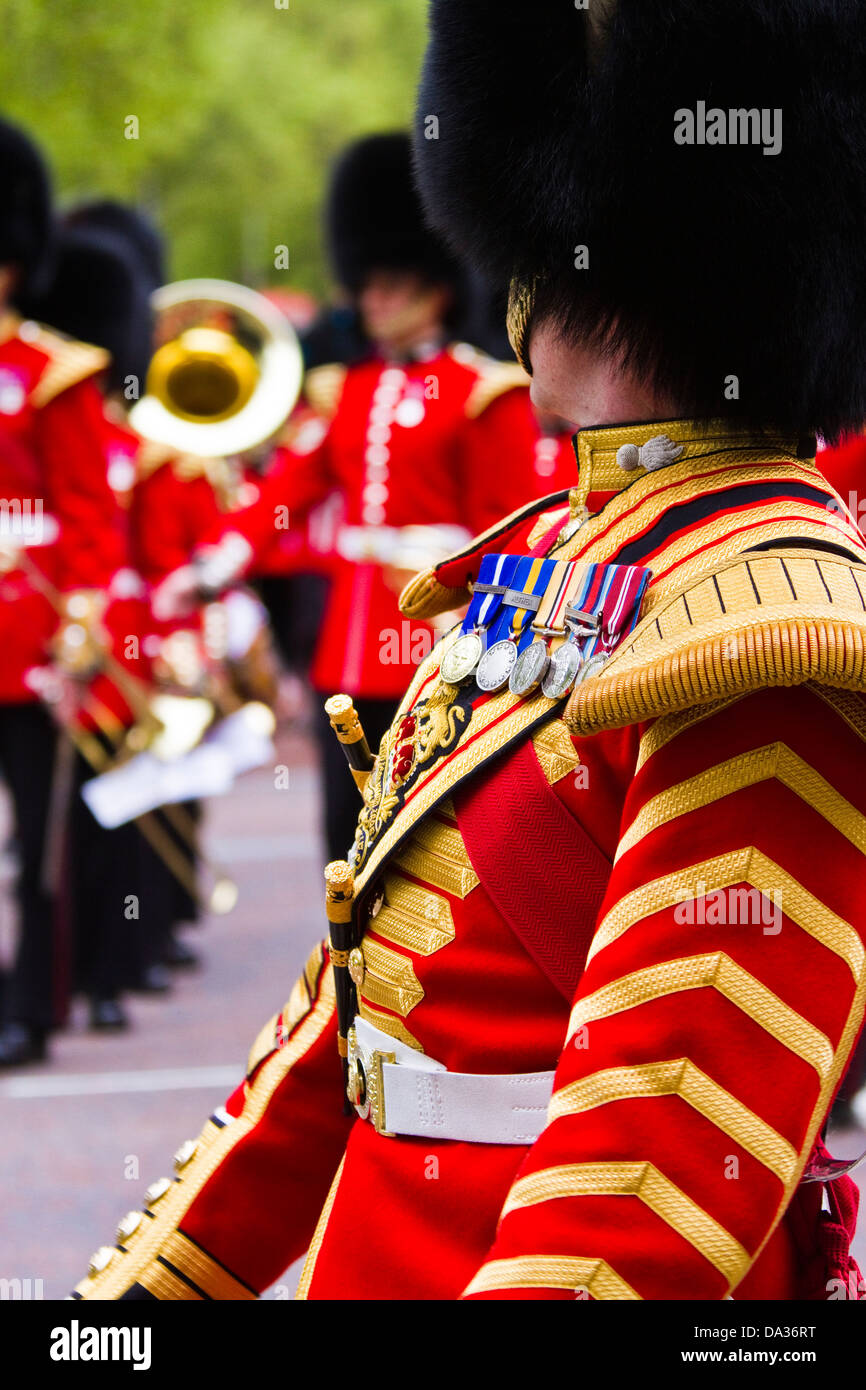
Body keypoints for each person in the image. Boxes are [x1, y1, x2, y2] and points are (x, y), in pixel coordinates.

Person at [75, 0, 866, 1300]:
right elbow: (347, 1016)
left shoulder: (761, 623)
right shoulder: (551, 556)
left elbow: (652, 1152)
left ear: (609, 266)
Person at [157, 131, 555, 861]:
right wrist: (214, 565)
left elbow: (514, 530)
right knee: (343, 837)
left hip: (438, 640)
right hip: (348, 644)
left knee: (423, 839)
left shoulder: (484, 394)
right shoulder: (348, 393)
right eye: (367, 285)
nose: (370, 301)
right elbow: (286, 493)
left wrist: (486, 631)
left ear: (434, 291)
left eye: (389, 287)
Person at [0, 121, 127, 1065]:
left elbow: (86, 514)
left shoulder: (55, 373)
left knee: (31, 840)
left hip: (27, 634)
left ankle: (32, 1001)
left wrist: (82, 622)